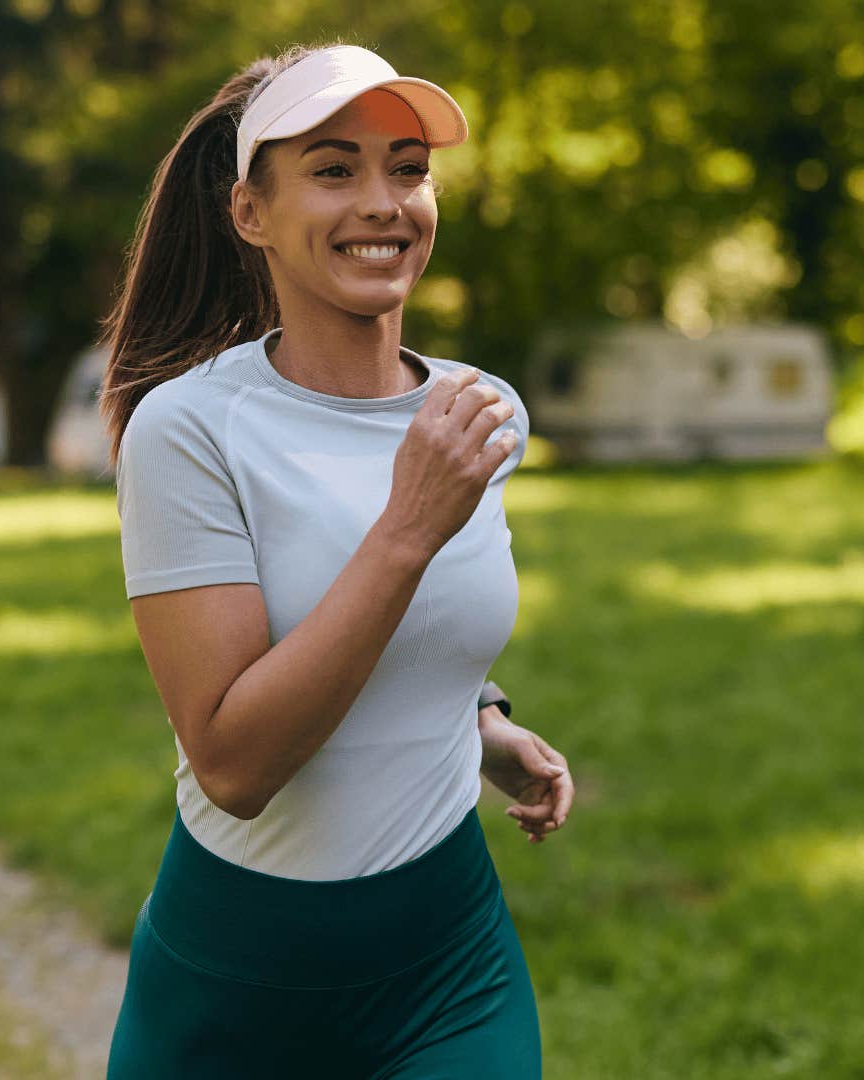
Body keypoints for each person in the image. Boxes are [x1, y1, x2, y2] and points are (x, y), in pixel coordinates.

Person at [98, 40, 575, 1079]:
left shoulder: (479, 415)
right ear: (249, 213)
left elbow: (432, 617)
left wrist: (478, 718)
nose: (384, 202)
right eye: (333, 169)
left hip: (449, 966)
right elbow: (234, 764)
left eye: (408, 168)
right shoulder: (189, 432)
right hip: (235, 991)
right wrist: (406, 527)